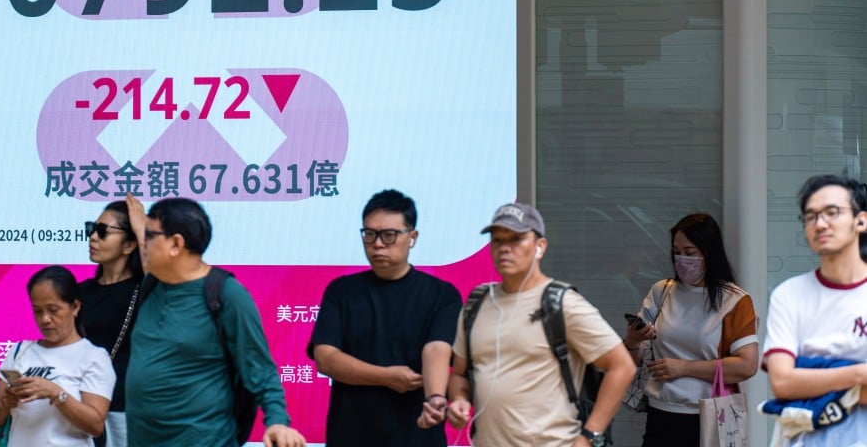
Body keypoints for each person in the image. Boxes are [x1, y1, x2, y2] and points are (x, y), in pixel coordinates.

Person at [124, 194, 306, 447]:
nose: (141, 243)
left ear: (176, 244)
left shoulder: (226, 294)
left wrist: (277, 421)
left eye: (149, 236)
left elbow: (261, 370)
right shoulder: (151, 285)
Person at [446, 202, 634, 447]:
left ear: (539, 247)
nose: (505, 248)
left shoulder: (562, 303)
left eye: (516, 239)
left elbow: (622, 367)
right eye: (498, 240)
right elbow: (460, 373)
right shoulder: (477, 304)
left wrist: (590, 436)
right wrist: (459, 400)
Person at [307, 189, 462, 446]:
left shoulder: (441, 295)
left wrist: (436, 397)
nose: (378, 244)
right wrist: (386, 376)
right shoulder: (341, 291)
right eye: (369, 234)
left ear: (412, 237)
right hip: (351, 435)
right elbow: (326, 359)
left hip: (417, 435)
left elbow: (437, 349)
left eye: (389, 235)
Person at [623, 212, 758, 447]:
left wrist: (684, 367)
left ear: (709, 253)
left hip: (710, 418)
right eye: (676, 251)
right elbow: (634, 359)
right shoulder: (661, 292)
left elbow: (746, 366)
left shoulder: (735, 301)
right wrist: (632, 341)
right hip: (660, 417)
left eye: (690, 253)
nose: (681, 259)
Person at [762, 174, 867, 446]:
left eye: (832, 212)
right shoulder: (789, 295)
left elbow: (793, 380)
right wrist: (858, 374)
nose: (820, 223)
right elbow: (782, 382)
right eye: (811, 216)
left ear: (861, 220)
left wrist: (809, 372)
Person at [0, 265, 115, 447]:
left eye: (53, 310)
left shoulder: (94, 357)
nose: (45, 319)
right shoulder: (19, 351)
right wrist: (7, 402)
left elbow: (95, 426)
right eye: (37, 311)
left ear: (75, 307)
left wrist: (55, 393)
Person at [79, 201, 143, 447]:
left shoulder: (147, 291)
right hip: (79, 406)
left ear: (129, 244)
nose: (93, 237)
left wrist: (142, 233)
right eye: (92, 228)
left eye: (103, 231)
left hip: (125, 410)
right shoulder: (80, 292)